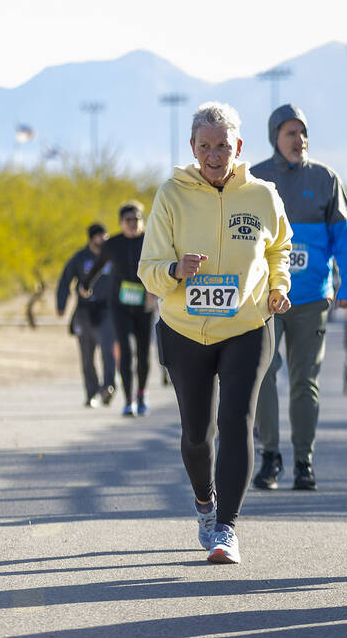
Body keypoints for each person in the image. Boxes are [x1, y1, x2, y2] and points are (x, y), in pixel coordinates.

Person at [138, 101, 292, 564]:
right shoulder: (171, 194)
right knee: (196, 434)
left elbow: (280, 249)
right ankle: (204, 503)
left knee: (237, 422)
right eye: (205, 146)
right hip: (184, 329)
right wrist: (174, 269)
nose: (214, 154)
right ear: (193, 148)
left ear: (238, 147)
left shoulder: (263, 195)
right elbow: (148, 271)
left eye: (222, 145)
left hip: (247, 325)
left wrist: (279, 288)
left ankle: (226, 526)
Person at [251, 104, 347, 491]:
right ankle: (269, 456)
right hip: (264, 299)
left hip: (312, 298)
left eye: (303, 133)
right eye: (290, 133)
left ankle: (303, 461)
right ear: (274, 138)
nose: (299, 140)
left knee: (305, 382)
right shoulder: (254, 180)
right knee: (262, 375)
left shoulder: (326, 179)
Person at [83, 201, 155, 416]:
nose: (133, 224)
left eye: (137, 219)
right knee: (125, 351)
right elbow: (97, 266)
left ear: (142, 220)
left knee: (143, 353)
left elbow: (162, 265)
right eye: (128, 220)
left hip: (145, 304)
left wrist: (158, 289)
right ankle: (128, 399)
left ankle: (141, 394)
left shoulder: (150, 241)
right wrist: (86, 284)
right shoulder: (113, 244)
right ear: (121, 223)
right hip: (120, 304)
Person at [57, 223, 116, 407]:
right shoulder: (80, 258)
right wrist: (61, 304)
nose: (103, 240)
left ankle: (108, 387)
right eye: (99, 236)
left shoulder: (112, 256)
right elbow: (65, 280)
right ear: (91, 238)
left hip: (107, 310)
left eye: (105, 236)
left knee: (108, 350)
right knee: (87, 355)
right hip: (84, 311)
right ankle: (91, 393)